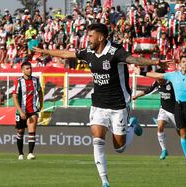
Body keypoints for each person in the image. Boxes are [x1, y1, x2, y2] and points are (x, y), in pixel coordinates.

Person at [34, 23, 162, 187]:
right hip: (99, 104)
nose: (88, 39)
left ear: (100, 37)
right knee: (97, 139)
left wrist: (156, 61)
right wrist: (46, 52)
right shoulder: (88, 52)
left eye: (91, 36)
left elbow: (134, 59)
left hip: (119, 105)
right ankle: (105, 181)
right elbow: (67, 54)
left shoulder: (115, 51)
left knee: (119, 148)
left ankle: (131, 125)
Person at [138, 55, 186, 167]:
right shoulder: (173, 75)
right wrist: (143, 73)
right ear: (179, 64)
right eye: (183, 62)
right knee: (183, 133)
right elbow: (159, 75)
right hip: (178, 107)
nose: (185, 64)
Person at [132, 67, 177, 160]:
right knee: (160, 127)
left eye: (158, 78)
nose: (157, 81)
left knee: (181, 132)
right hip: (163, 109)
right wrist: (136, 96)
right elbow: (148, 90)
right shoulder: (157, 82)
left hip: (174, 111)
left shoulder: (172, 84)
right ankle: (164, 150)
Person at [12, 61, 43, 160]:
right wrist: (20, 111)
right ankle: (20, 153)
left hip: (32, 110)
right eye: (27, 68)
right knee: (20, 131)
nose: (30, 70)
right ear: (22, 70)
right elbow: (14, 97)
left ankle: (30, 153)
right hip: (21, 111)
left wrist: (41, 104)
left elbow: (40, 92)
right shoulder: (18, 81)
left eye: (30, 68)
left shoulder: (36, 80)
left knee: (32, 130)